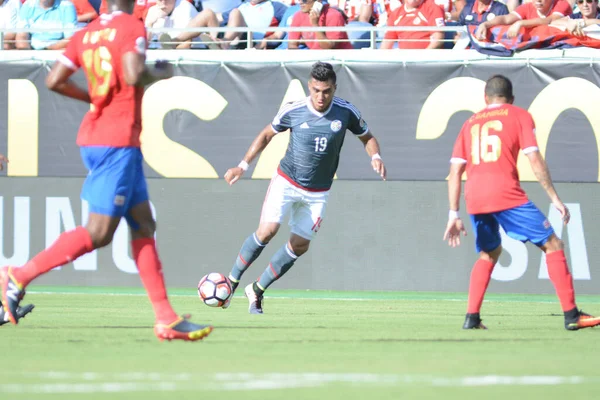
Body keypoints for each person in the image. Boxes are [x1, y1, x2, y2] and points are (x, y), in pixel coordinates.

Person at [0, 0, 213, 342]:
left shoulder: (87, 33)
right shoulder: (131, 27)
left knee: (143, 222)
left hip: (101, 137)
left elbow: (54, 80)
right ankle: (18, 275)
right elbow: (132, 73)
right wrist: (161, 70)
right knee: (99, 233)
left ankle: (165, 318)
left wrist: (93, 98)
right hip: (117, 142)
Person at [222, 62, 386, 314]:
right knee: (267, 231)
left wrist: (375, 157)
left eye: (327, 91)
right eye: (316, 90)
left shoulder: (346, 112)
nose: (321, 97)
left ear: (334, 88)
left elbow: (367, 137)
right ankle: (231, 282)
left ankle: (256, 290)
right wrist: (242, 166)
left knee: (299, 245)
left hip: (318, 192)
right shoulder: (295, 110)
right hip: (287, 181)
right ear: (310, 86)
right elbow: (267, 134)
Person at [443, 75, 600, 331]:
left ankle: (471, 318)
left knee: (489, 252)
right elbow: (534, 159)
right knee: (553, 244)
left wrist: (453, 213)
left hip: (475, 197)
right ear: (511, 99)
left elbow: (455, 170)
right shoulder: (519, 115)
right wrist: (555, 198)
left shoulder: (469, 122)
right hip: (505, 193)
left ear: (485, 99)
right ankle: (572, 315)